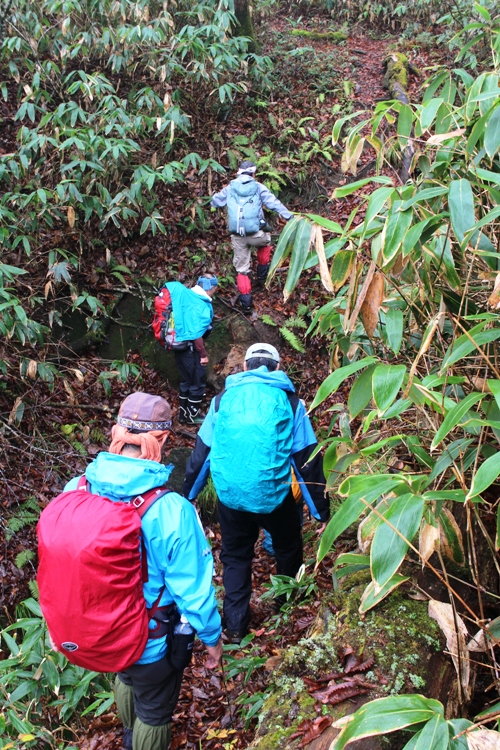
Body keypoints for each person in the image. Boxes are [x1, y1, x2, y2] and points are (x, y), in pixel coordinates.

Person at [63, 392, 223, 750]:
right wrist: (212, 639)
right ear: (162, 440)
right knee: (154, 711)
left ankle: (128, 735)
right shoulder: (171, 510)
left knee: (126, 676)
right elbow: (193, 591)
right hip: (150, 638)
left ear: (117, 433)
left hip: (99, 628)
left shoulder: (76, 489)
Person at [182, 343, 329, 642]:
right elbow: (306, 459)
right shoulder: (291, 403)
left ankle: (235, 627)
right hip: (274, 496)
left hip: (231, 499)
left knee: (236, 557)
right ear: (277, 368)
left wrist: (190, 494)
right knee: (288, 548)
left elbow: (202, 453)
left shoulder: (221, 402)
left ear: (245, 367)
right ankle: (286, 607)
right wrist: (321, 512)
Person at [210, 161, 293, 313]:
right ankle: (262, 277)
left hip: (238, 235)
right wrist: (290, 217)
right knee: (266, 242)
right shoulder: (258, 187)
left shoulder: (230, 187)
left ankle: (246, 305)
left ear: (239, 173)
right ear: (253, 173)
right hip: (256, 234)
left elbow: (215, 201)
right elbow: (274, 203)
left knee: (241, 270)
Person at [172, 274, 218, 424]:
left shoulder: (187, 297)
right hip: (192, 348)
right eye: (215, 287)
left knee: (186, 380)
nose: (215, 290)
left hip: (179, 346)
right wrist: (203, 354)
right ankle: (192, 415)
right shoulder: (199, 302)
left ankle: (183, 414)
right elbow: (196, 332)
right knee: (197, 381)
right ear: (210, 287)